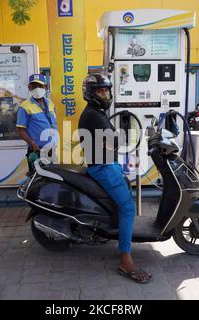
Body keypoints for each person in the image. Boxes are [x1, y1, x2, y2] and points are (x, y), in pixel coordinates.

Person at [78, 73, 152, 284]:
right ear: (91, 94)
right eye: (100, 91)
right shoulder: (93, 115)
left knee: (123, 196)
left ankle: (116, 234)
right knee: (128, 208)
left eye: (106, 90)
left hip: (106, 163)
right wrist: (115, 139)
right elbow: (113, 141)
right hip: (102, 167)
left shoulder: (97, 113)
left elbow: (111, 141)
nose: (104, 94)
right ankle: (125, 259)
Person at [16, 74, 58, 175]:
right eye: (34, 86)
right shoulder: (25, 106)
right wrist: (32, 144)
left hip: (52, 149)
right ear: (29, 88)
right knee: (37, 180)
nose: (37, 89)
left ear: (46, 87)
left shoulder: (50, 103)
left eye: (40, 86)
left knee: (53, 178)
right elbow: (21, 130)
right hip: (37, 150)